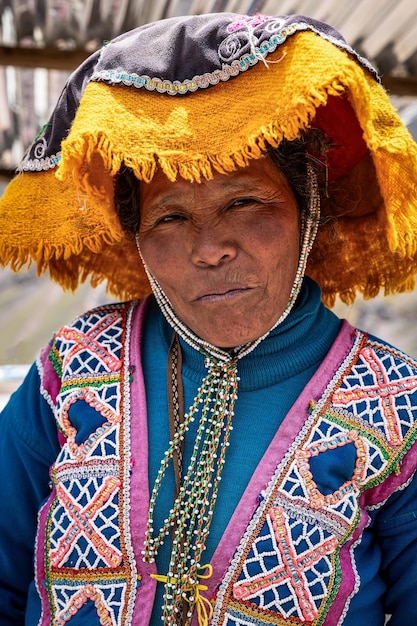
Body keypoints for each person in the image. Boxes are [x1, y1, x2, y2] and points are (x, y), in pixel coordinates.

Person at [1, 11, 417, 626]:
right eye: (169, 216)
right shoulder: (74, 365)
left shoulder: (396, 403)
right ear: (137, 238)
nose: (209, 247)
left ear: (309, 215)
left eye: (245, 201)